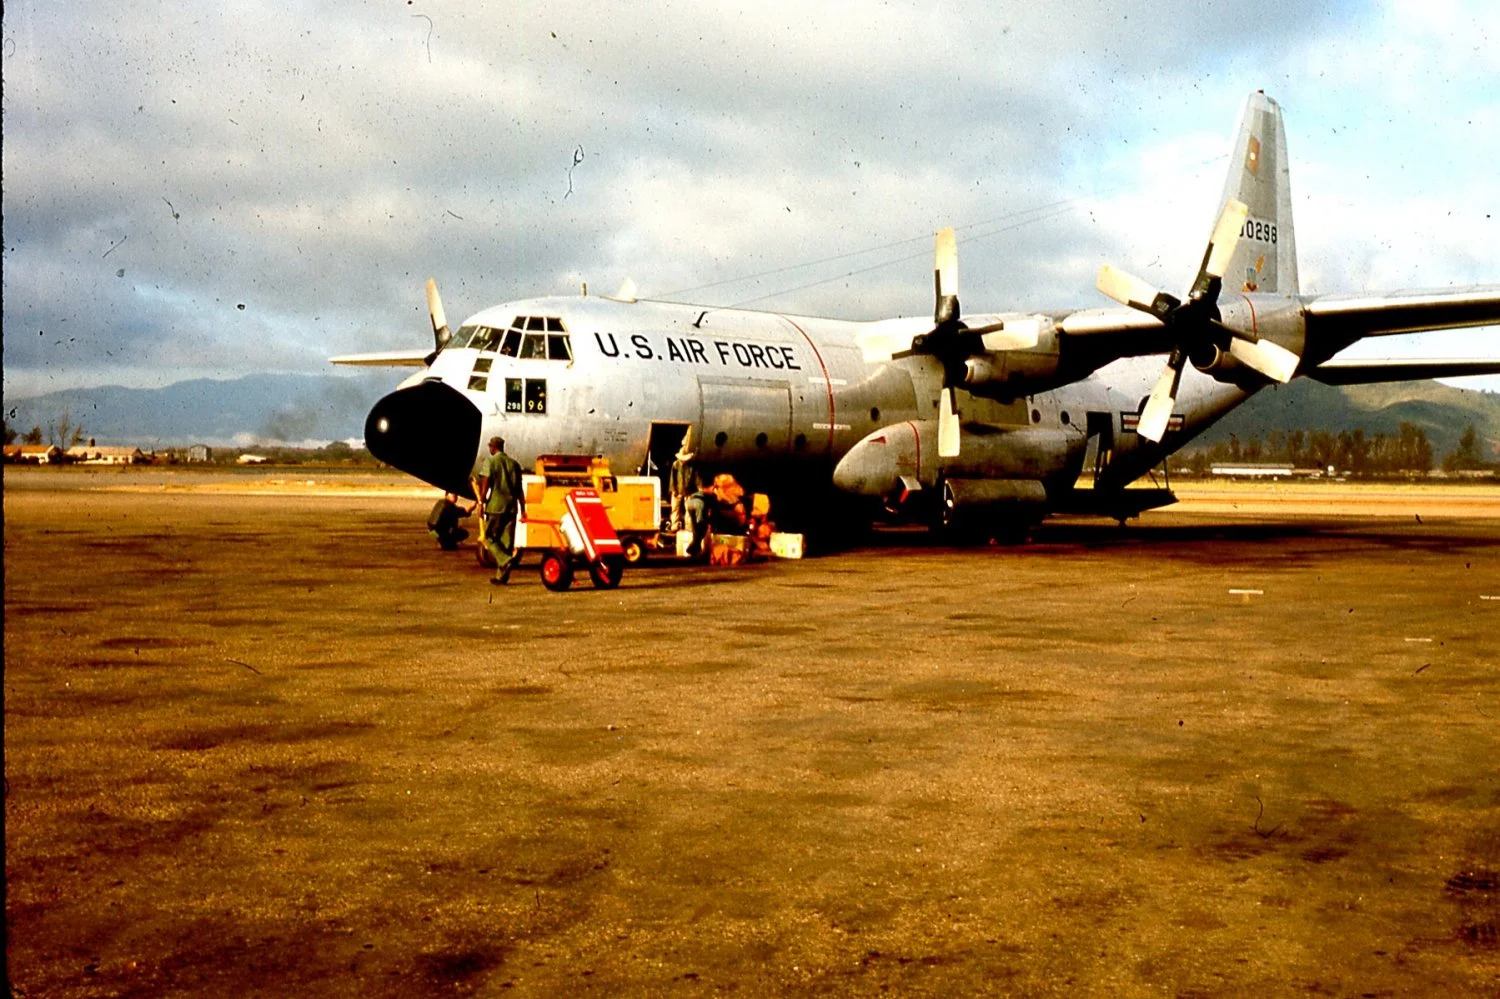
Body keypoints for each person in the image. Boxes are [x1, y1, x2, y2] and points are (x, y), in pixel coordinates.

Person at [472, 436, 524, 584]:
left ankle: (505, 560)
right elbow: (519, 490)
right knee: (507, 543)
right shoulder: (514, 464)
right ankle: (501, 576)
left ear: (493, 447)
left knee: (489, 538)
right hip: (512, 508)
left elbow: (486, 482)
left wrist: (481, 502)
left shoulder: (490, 462)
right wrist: (523, 508)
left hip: (495, 506)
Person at [668, 430, 701, 532]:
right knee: (675, 509)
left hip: (688, 490)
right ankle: (674, 526)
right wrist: (673, 490)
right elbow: (672, 478)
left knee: (688, 510)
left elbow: (695, 478)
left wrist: (697, 489)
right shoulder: (676, 464)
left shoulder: (692, 466)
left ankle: (688, 527)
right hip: (678, 490)